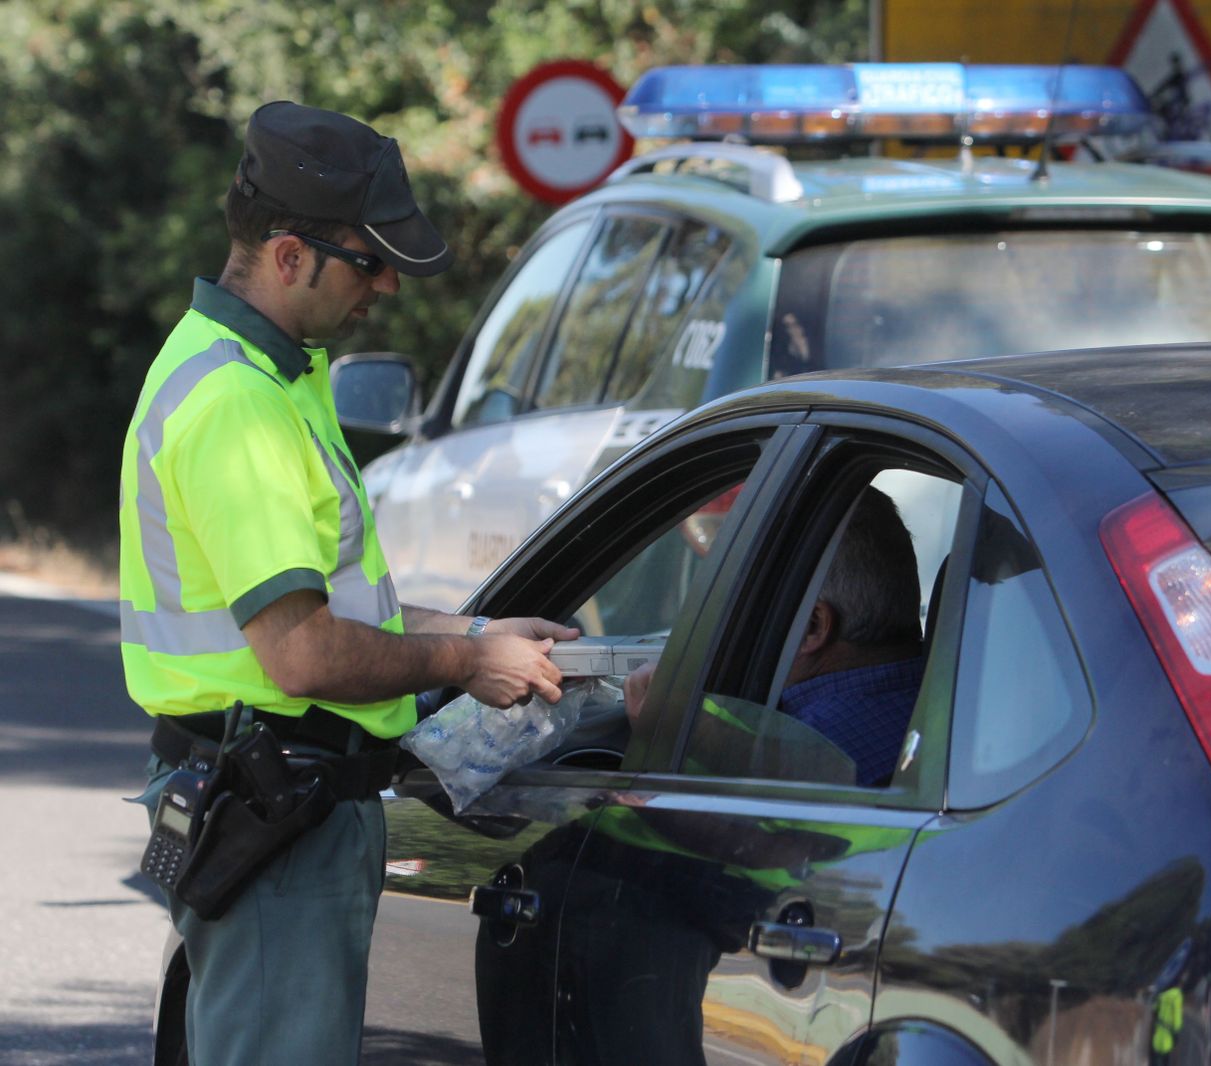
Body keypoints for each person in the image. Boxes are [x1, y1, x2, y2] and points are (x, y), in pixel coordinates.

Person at [119, 101, 577, 1065]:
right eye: (370, 262)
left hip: (267, 800)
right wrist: (464, 659)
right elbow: (302, 652)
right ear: (290, 257)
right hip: (278, 807)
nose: (386, 289)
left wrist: (479, 628)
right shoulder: (240, 404)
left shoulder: (272, 375)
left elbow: (323, 609)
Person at [626, 485, 924, 786]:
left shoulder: (809, 759)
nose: (727, 622)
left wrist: (683, 737)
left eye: (747, 602)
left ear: (812, 626)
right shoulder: (949, 702)